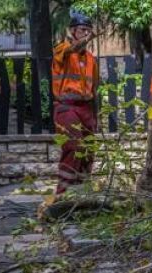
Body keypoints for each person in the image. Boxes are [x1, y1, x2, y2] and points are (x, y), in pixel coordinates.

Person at [51, 11, 98, 195]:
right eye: (82, 30)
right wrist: (85, 40)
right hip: (66, 106)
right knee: (73, 146)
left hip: (86, 108)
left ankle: (82, 192)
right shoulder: (62, 50)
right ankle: (63, 193)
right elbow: (74, 48)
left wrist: (95, 116)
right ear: (72, 31)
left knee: (88, 150)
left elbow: (94, 90)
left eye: (88, 30)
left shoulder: (91, 59)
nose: (86, 34)